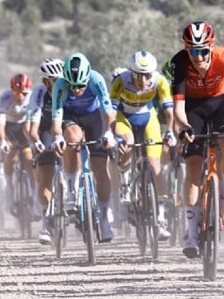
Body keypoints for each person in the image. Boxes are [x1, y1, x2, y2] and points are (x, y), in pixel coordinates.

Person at [167, 21, 224, 258]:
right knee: (193, 164)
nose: (197, 57)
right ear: (185, 49)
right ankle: (191, 233)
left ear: (211, 47)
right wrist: (184, 127)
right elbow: (179, 107)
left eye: (202, 51)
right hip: (194, 108)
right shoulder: (179, 62)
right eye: (192, 51)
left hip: (223, 102)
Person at [49, 51, 118, 244]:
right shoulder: (60, 86)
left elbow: (108, 113)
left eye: (81, 85)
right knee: (72, 138)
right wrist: (57, 136)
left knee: (100, 169)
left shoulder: (96, 80)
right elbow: (56, 118)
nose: (77, 89)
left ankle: (104, 218)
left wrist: (109, 133)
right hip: (71, 117)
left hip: (93, 117)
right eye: (74, 85)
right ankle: (72, 189)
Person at [109, 49, 177, 241]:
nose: (143, 80)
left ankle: (161, 218)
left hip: (148, 118)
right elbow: (111, 112)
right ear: (132, 73)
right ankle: (125, 182)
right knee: (128, 143)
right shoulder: (121, 80)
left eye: (147, 75)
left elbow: (169, 112)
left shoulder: (160, 81)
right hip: (125, 118)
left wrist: (170, 131)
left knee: (155, 166)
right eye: (139, 75)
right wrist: (112, 133)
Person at [27, 58, 64, 244]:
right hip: (47, 131)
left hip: (68, 130)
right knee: (45, 179)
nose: (58, 84)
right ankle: (46, 222)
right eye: (53, 80)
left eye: (60, 79)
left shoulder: (69, 89)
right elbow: (33, 127)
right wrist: (36, 141)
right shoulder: (39, 94)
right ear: (45, 82)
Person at [0, 73, 35, 205]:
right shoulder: (5, 98)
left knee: (29, 160)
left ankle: (32, 192)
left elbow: (36, 122)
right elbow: (0, 125)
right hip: (9, 127)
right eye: (17, 94)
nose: (20, 97)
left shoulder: (32, 97)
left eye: (23, 93)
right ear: (12, 92)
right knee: (10, 155)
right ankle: (10, 191)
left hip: (26, 126)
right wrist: (2, 141)